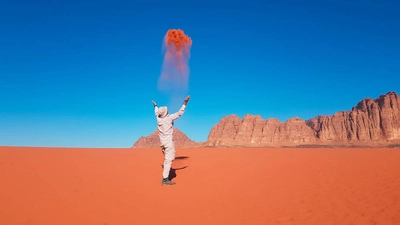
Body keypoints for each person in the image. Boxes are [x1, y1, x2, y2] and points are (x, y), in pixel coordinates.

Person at [152, 95, 190, 186]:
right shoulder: (169, 118)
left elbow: (156, 112)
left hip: (162, 143)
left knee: (169, 158)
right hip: (168, 142)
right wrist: (185, 103)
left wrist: (155, 106)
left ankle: (166, 173)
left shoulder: (158, 119)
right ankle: (165, 179)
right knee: (169, 160)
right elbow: (179, 113)